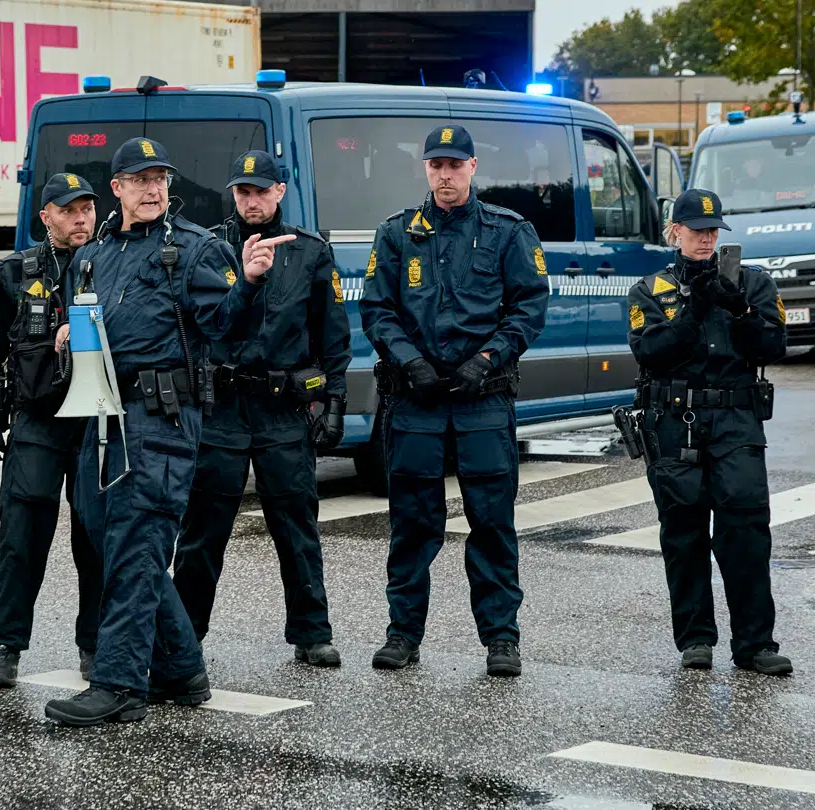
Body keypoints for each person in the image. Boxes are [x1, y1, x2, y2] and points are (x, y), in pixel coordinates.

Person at [42, 137, 279, 726]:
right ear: (116, 189)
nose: (153, 189)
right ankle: (180, 669)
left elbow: (223, 327)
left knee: (134, 545)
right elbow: (90, 311)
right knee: (106, 537)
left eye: (160, 179)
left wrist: (247, 283)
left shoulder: (194, 250)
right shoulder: (94, 254)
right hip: (103, 412)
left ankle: (120, 683)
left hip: (160, 420)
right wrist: (73, 334)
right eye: (140, 180)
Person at [359, 123, 548, 677]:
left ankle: (501, 639)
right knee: (413, 525)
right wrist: (407, 360)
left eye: (454, 164)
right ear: (426, 169)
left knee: (491, 523)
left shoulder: (507, 232)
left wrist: (486, 359)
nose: (445, 174)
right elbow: (377, 309)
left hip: (481, 401)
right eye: (436, 165)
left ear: (472, 168)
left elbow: (528, 307)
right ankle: (402, 635)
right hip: (415, 402)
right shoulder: (397, 234)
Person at [172, 150, 351, 666]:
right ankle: (185, 639)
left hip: (281, 410)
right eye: (243, 191)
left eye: (260, 191)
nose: (251, 200)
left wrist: (332, 402)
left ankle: (311, 632)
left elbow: (332, 337)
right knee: (203, 534)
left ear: (280, 192)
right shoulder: (208, 249)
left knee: (297, 528)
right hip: (223, 409)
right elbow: (196, 326)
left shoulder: (311, 252)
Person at [626, 189, 792, 675]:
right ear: (674, 231)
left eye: (713, 231)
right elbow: (649, 352)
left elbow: (775, 345)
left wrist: (740, 311)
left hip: (736, 421)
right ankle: (696, 639)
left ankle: (756, 644)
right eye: (697, 230)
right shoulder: (650, 290)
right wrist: (692, 311)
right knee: (683, 534)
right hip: (676, 423)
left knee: (745, 534)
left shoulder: (753, 282)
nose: (706, 239)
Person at [0, 173, 106, 687]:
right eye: (69, 210)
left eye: (87, 209)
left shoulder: (111, 265)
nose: (81, 218)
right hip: (39, 422)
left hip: (96, 425)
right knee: (22, 538)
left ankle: (94, 645)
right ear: (45, 216)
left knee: (95, 541)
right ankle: (5, 646)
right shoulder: (15, 272)